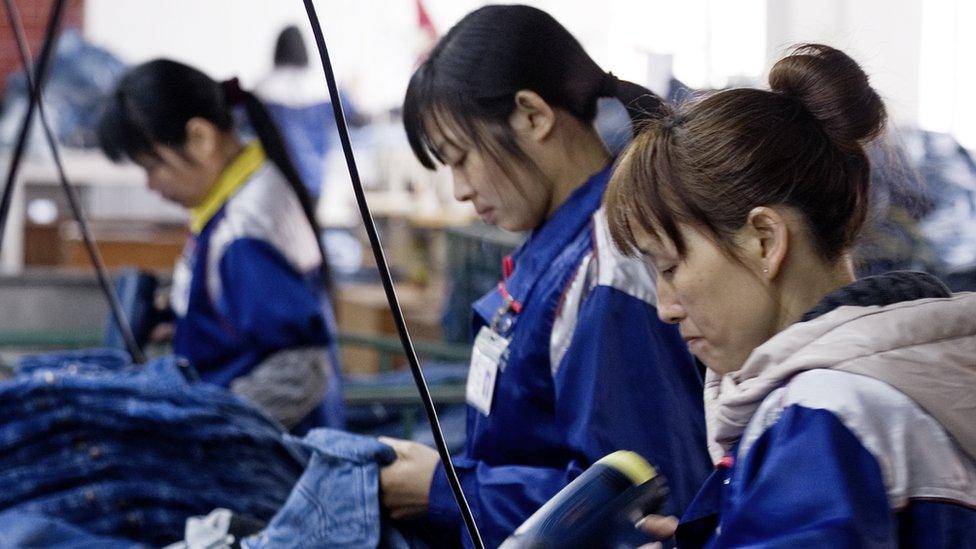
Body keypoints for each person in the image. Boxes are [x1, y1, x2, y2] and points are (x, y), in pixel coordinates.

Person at [606, 44, 976, 547]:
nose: (666, 308)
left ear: (765, 240)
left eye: (670, 267)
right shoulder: (902, 379)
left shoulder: (827, 416)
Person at [379, 5, 711, 547]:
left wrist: (445, 490)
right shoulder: (562, 245)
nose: (459, 189)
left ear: (533, 116)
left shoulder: (613, 261)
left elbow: (638, 500)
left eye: (461, 158)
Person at [97, 59, 345, 433]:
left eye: (153, 167)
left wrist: (203, 427)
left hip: (276, 461)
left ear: (200, 138)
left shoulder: (244, 230)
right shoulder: (238, 201)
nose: (151, 186)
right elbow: (249, 328)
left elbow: (301, 369)